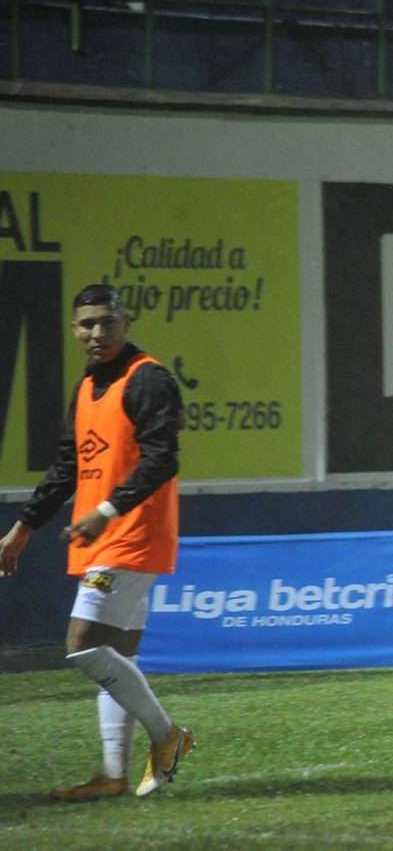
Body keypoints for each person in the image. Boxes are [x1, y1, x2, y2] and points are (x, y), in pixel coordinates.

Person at [0, 284, 192, 801]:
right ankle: (113, 775)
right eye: (87, 324)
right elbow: (67, 467)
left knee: (81, 643)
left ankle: (168, 735)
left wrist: (105, 510)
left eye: (107, 322)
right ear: (73, 329)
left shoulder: (148, 378)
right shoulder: (88, 386)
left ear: (126, 323)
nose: (97, 333)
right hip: (104, 535)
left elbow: (163, 458)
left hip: (131, 533)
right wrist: (24, 527)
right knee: (112, 656)